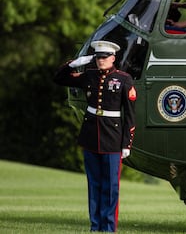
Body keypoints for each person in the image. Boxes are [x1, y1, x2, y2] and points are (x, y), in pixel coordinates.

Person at [53, 40, 136, 232]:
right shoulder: (88, 76)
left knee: (111, 186)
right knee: (94, 184)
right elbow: (59, 78)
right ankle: (95, 225)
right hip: (90, 136)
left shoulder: (124, 80)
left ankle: (108, 227)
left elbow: (130, 115)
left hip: (113, 138)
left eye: (104, 57)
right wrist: (74, 63)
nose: (101, 61)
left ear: (113, 58)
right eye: (98, 57)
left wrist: (127, 144)